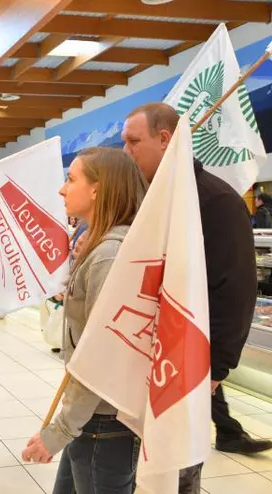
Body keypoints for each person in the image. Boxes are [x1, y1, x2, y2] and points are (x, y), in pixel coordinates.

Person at [121, 102, 268, 492]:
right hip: (146, 362)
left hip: (190, 366)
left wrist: (216, 370)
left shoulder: (215, 200)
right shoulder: (152, 200)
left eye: (134, 141)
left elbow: (235, 290)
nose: (127, 152)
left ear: (165, 138)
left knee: (176, 470)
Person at [22, 148, 147, 493]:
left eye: (71, 178)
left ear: (98, 188)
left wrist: (60, 430)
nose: (62, 189)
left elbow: (102, 356)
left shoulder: (109, 255)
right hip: (95, 419)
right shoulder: (107, 246)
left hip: (103, 421)